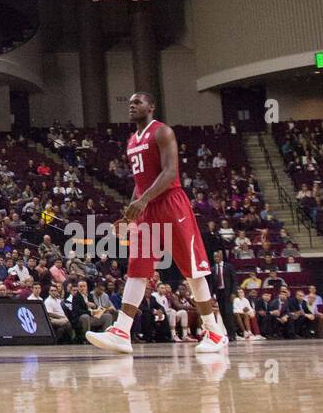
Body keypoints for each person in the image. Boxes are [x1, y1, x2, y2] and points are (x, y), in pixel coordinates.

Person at [87, 92, 227, 355]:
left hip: (171, 203)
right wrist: (131, 211)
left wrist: (143, 200)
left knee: (192, 270)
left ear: (151, 107)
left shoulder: (162, 132)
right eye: (129, 102)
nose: (132, 105)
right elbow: (140, 184)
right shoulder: (131, 141)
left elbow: (170, 172)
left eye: (137, 102)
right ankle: (121, 331)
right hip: (146, 208)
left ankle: (215, 331)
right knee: (138, 269)